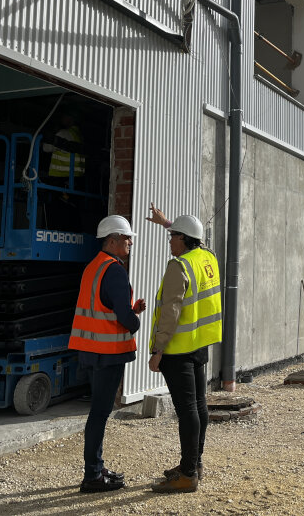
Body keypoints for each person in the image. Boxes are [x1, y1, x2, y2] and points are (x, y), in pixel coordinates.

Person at [145, 204, 222, 493]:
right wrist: (168, 223)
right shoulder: (207, 258)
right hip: (199, 345)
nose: (169, 240)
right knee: (198, 405)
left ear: (183, 239)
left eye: (173, 236)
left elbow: (170, 310)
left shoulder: (179, 266)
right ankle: (195, 463)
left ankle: (188, 473)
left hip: (177, 349)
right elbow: (196, 238)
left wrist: (158, 349)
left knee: (187, 409)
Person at [69, 215, 146, 493]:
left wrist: (128, 311)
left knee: (97, 413)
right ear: (111, 240)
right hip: (108, 353)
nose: (130, 241)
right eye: (126, 238)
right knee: (100, 413)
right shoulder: (114, 269)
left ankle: (96, 468)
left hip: (90, 351)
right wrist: (135, 320)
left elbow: (102, 307)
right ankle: (92, 475)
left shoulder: (93, 266)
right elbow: (122, 314)